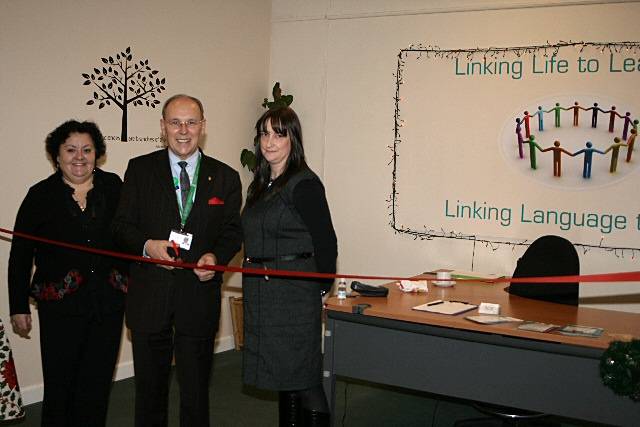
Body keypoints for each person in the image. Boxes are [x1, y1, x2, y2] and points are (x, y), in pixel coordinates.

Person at [111, 94, 242, 427]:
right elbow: (121, 225)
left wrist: (216, 257)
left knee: (196, 394)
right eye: (175, 122)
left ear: (203, 126)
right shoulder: (139, 170)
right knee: (149, 394)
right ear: (162, 127)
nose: (183, 130)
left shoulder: (225, 177)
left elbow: (232, 231)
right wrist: (146, 245)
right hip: (149, 298)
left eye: (191, 122)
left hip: (197, 299)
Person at [8, 120, 126, 426]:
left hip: (108, 304)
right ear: (56, 155)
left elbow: (131, 238)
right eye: (70, 149)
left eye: (87, 149)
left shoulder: (114, 187)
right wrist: (18, 305)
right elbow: (20, 254)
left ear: (97, 153)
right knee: (61, 386)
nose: (79, 157)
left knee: (97, 385)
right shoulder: (40, 195)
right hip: (60, 306)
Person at [241, 107, 338, 426]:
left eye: (278, 134)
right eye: (264, 133)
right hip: (264, 295)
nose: (269, 141)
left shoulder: (305, 184)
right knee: (284, 377)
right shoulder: (260, 184)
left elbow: (326, 242)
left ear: (292, 139)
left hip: (295, 296)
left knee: (305, 380)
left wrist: (321, 288)